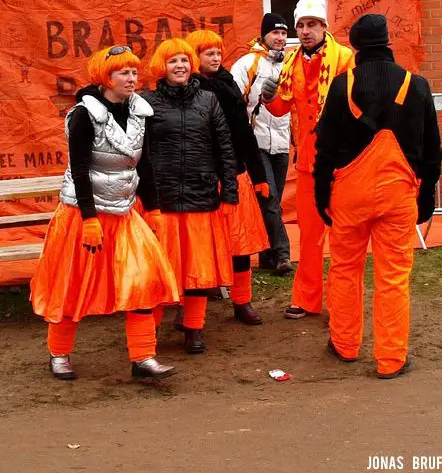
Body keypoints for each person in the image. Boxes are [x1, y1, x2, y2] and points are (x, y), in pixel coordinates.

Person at [31, 46, 179, 381]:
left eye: (134, 72)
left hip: (124, 213)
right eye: (123, 73)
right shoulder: (84, 115)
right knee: (72, 286)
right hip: (84, 216)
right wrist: (89, 219)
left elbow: (147, 164)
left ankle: (143, 358)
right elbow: (79, 170)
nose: (131, 78)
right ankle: (59, 353)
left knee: (142, 280)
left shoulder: (141, 112)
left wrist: (153, 208)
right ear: (105, 77)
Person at [314, 14, 442, 378]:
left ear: (354, 45)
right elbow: (433, 149)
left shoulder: (342, 86)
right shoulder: (416, 86)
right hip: (398, 194)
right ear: (388, 42)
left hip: (348, 194)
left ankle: (344, 344)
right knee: (393, 277)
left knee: (344, 270)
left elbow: (323, 148)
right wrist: (427, 196)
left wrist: (320, 194)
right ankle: (390, 360)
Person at [143, 38, 238, 354]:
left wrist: (230, 193)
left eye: (184, 59)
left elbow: (225, 148)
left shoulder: (209, 100)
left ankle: (194, 330)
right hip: (162, 200)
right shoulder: (145, 103)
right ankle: (149, 332)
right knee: (157, 271)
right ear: (162, 66)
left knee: (199, 270)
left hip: (202, 196)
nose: (180, 66)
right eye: (173, 61)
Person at [262, 0, 354, 320]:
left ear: (324, 26)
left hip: (342, 163)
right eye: (300, 25)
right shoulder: (290, 62)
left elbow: (357, 107)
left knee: (344, 236)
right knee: (310, 234)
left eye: (311, 24)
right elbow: (281, 106)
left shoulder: (344, 58)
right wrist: (268, 97)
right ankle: (306, 298)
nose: (304, 31)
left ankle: (342, 301)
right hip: (307, 164)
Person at [186, 29, 271, 325]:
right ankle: (192, 313)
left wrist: (259, 175)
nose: (216, 57)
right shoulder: (187, 89)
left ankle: (242, 301)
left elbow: (244, 131)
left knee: (241, 242)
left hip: (234, 172)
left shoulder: (229, 85)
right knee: (198, 246)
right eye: (209, 53)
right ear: (194, 57)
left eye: (219, 52)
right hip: (199, 177)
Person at [230, 13, 294, 276]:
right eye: (275, 33)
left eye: (283, 33)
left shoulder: (290, 64)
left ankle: (267, 256)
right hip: (255, 143)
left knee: (273, 201)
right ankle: (282, 254)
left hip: (281, 142)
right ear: (264, 34)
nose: (280, 38)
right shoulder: (246, 64)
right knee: (270, 198)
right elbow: (234, 104)